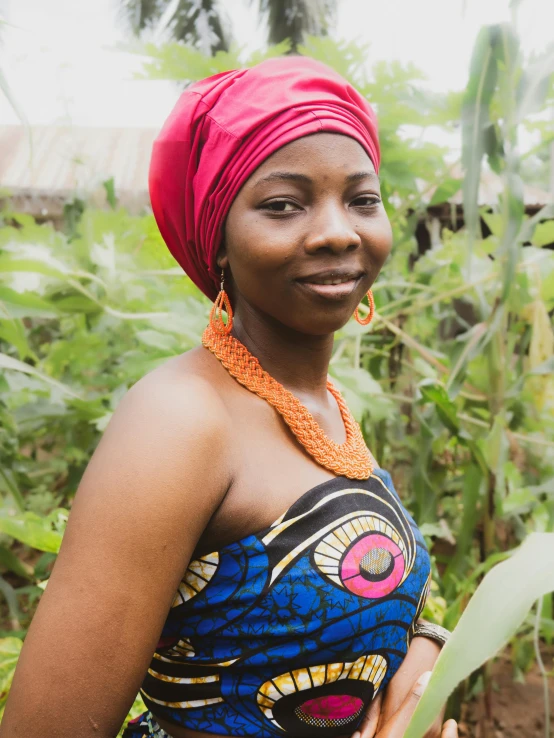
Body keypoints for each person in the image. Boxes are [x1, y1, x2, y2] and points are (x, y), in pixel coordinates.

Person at [0, 57, 458, 738]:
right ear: (218, 243)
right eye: (283, 204)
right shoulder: (181, 420)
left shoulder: (317, 404)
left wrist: (425, 661)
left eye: (361, 199)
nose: (339, 230)